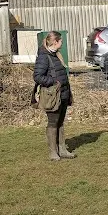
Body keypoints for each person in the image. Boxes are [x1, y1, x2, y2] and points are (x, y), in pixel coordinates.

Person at [33, 31, 75, 161]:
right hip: (52, 96)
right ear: (55, 42)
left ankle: (62, 150)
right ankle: (53, 152)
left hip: (62, 94)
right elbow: (37, 76)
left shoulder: (56, 55)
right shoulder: (44, 57)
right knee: (53, 122)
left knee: (60, 122)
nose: (62, 43)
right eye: (60, 41)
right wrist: (53, 82)